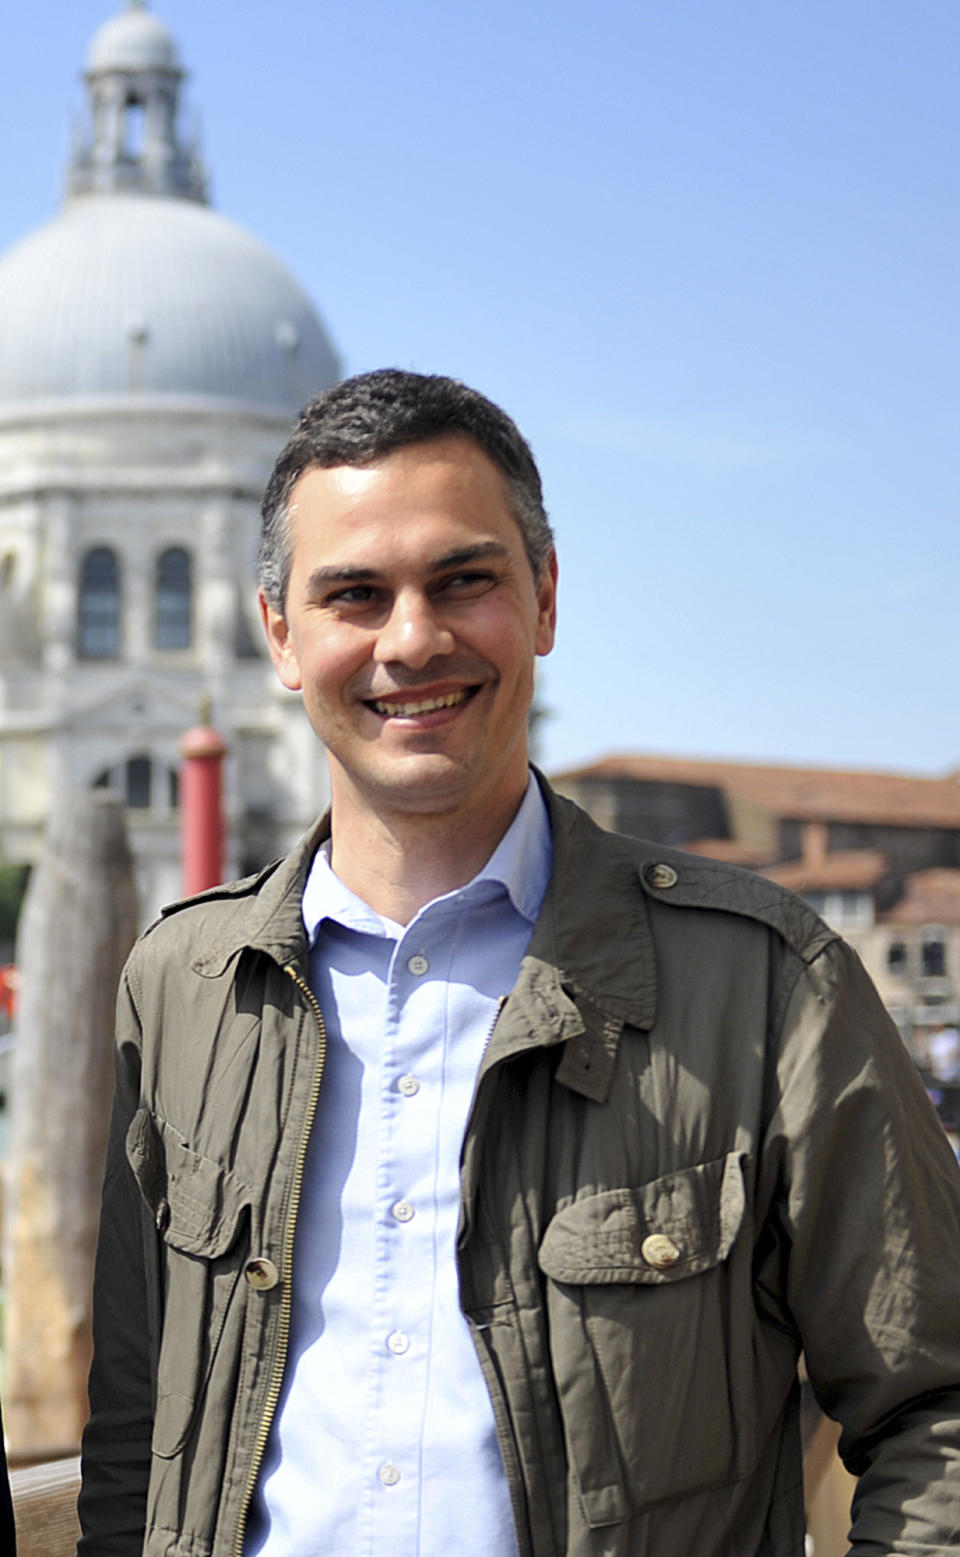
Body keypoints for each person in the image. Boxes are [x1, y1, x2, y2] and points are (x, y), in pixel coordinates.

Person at [79, 369, 960, 1557]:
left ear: (544, 600)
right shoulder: (178, 988)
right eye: (354, 593)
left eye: (463, 581)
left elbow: (933, 1409)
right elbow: (135, 1435)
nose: (411, 640)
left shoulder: (770, 988)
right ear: (280, 634)